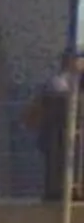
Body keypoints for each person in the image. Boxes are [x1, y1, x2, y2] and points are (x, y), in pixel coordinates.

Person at [23, 55, 82, 203]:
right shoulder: (58, 82)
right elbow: (46, 105)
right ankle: (62, 191)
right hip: (61, 136)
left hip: (69, 137)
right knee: (61, 167)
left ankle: (70, 190)